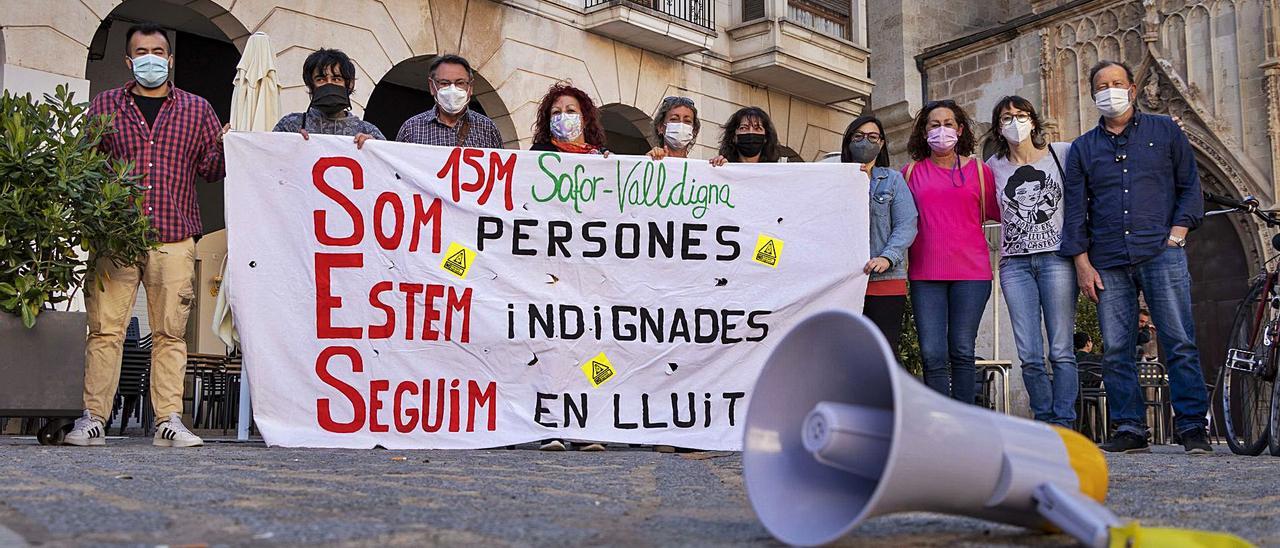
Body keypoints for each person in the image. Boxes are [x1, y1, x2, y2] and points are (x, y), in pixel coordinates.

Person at [65, 23, 227, 448]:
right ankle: (93, 418)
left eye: (158, 51)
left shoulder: (197, 109)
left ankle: (168, 420)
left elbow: (212, 170)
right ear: (128, 59)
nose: (150, 58)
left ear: (170, 59)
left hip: (174, 237)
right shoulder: (104, 106)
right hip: (116, 237)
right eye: (142, 52)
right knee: (104, 331)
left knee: (170, 333)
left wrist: (229, 144)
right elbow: (84, 167)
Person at [1060, 60, 1211, 454]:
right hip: (1108, 259)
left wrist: (1177, 235)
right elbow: (1075, 210)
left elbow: (1189, 187)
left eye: (1116, 83)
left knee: (1179, 340)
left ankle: (1192, 426)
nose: (1109, 90)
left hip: (1161, 252)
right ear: (1093, 94)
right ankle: (1130, 427)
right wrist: (1081, 263)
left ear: (1131, 88)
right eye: (1101, 85)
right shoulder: (1082, 148)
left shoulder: (1164, 132)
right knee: (1115, 348)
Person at [984, 96, 1077, 428]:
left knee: (1062, 349)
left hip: (1057, 260)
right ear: (998, 127)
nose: (1015, 122)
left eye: (1021, 115)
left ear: (1034, 121)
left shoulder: (1062, 154)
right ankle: (1044, 418)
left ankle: (1064, 422)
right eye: (1007, 117)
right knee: (1029, 354)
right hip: (1014, 264)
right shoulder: (992, 168)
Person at [526, 82, 608, 452]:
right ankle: (550, 426)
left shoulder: (606, 162)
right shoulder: (533, 159)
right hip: (547, 269)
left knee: (592, 346)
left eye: (571, 111)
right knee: (550, 345)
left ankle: (587, 424)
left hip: (590, 272)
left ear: (585, 117)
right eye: (557, 112)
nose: (564, 118)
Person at [902, 99, 1000, 404]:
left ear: (959, 129)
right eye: (934, 124)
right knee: (932, 353)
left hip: (971, 273)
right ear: (923, 131)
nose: (941, 130)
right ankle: (938, 424)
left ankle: (964, 423)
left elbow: (997, 213)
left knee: (961, 349)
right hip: (924, 272)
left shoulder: (981, 172)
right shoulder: (909, 173)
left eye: (947, 124)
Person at [841, 115, 917, 353]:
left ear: (882, 143)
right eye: (859, 136)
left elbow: (906, 223)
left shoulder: (893, 180)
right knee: (847, 352)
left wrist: (888, 257)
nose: (866, 142)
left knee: (883, 351)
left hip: (885, 280)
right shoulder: (833, 178)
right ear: (849, 141)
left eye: (873, 137)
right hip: (843, 281)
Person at [273, 48, 384, 147]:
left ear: (349, 84)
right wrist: (287, 144)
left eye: (336, 79)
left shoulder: (369, 131)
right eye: (321, 79)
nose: (329, 85)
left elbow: (387, 167)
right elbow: (267, 160)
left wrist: (375, 148)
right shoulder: (290, 125)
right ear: (311, 85)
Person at [396, 54, 503, 149]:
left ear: (470, 87)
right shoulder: (411, 129)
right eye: (444, 83)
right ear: (432, 86)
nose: (452, 89)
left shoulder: (488, 129)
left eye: (460, 83)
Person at [529, 82, 608, 156]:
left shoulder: (598, 154)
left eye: (571, 111)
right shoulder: (537, 154)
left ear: (585, 120)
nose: (563, 116)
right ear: (549, 121)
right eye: (556, 112)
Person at [709, 106, 780, 165]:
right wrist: (719, 169)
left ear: (766, 137)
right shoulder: (724, 167)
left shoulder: (776, 173)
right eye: (743, 128)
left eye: (757, 128)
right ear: (733, 136)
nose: (751, 132)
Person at [647, 96, 699, 160]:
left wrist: (714, 168)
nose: (681, 125)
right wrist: (647, 161)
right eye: (674, 119)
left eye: (687, 121)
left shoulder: (700, 168)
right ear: (660, 127)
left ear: (694, 130)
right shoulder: (650, 163)